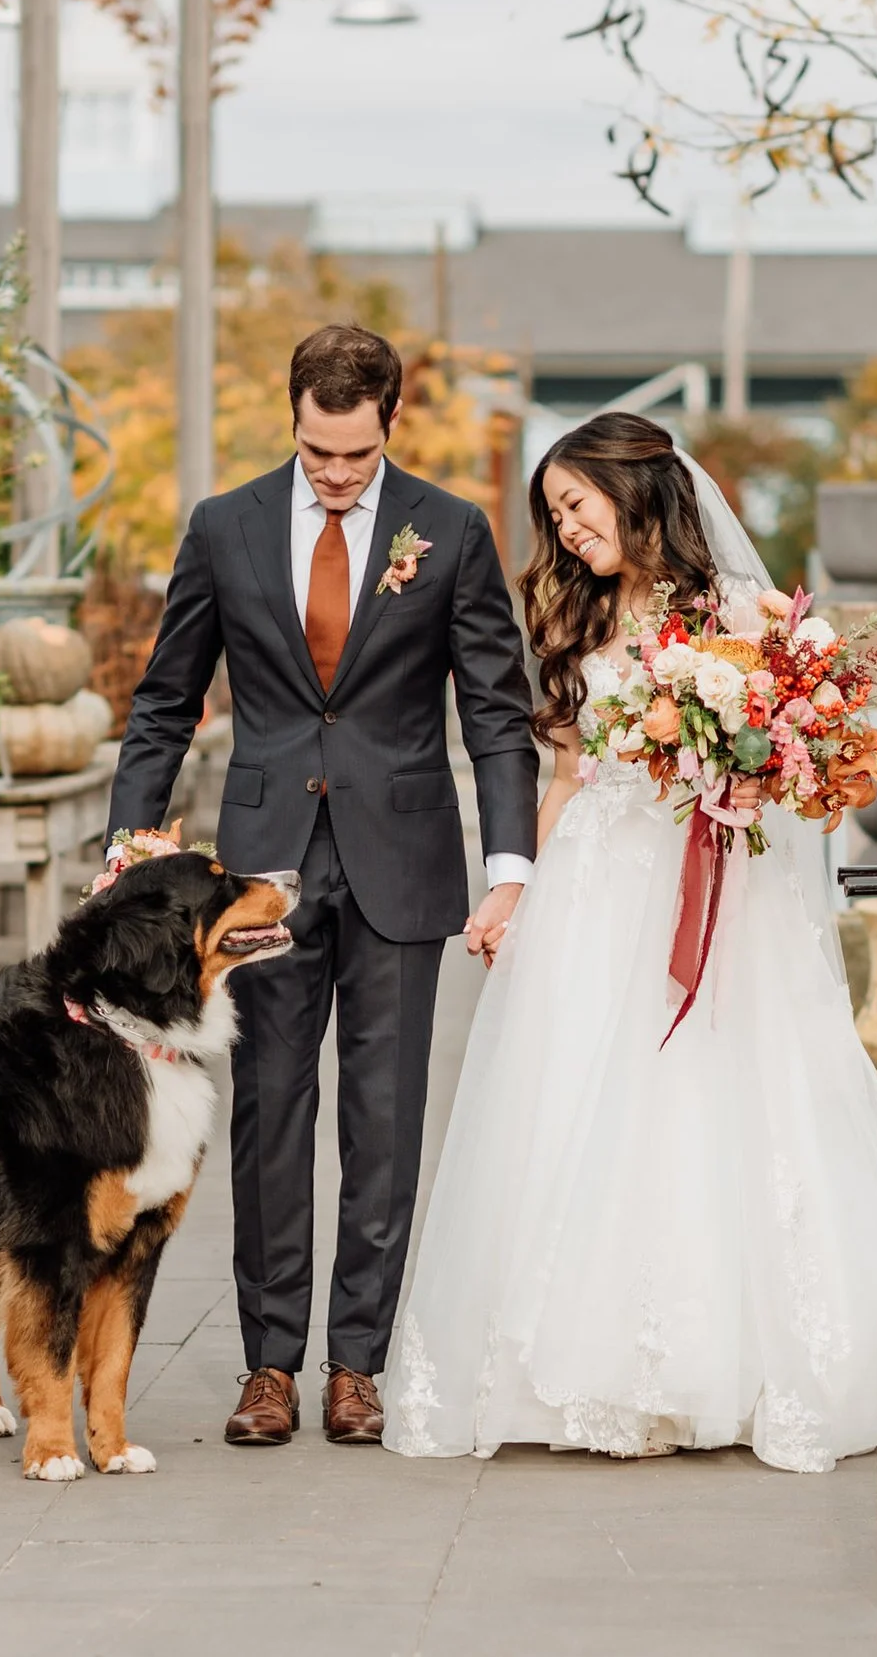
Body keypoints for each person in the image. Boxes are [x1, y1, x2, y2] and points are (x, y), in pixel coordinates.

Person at [381, 412, 877, 1470]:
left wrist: (756, 769)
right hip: (594, 888)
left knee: (713, 1099)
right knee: (576, 1102)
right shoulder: (580, 614)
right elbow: (571, 774)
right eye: (554, 518)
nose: (566, 534)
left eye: (575, 508)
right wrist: (515, 892)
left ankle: (729, 1357)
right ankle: (581, 1365)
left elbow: (797, 771)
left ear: (632, 492)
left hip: (705, 888)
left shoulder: (737, 617)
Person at [106, 325, 540, 1448]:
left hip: (403, 862)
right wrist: (132, 836)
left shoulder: (450, 531)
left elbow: (495, 709)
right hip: (261, 877)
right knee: (269, 1118)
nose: (334, 474)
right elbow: (166, 698)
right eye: (315, 452)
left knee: (386, 1123)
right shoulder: (224, 527)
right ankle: (268, 1366)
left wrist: (510, 867)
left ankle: (358, 1363)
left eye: (352, 455)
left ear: (389, 422)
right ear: (291, 420)